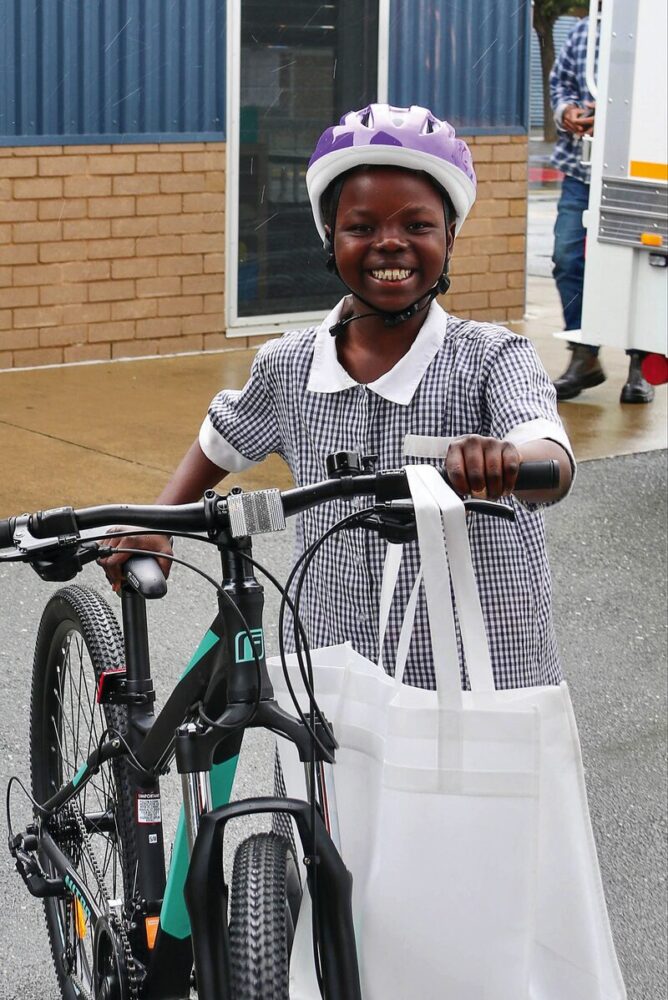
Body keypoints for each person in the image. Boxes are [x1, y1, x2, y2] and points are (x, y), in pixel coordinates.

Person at [102, 103, 574, 691]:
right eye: (362, 226)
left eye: (417, 226)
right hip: (335, 669)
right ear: (332, 238)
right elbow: (221, 440)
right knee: (318, 780)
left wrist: (512, 461)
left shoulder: (491, 358)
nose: (390, 243)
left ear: (449, 237)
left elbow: (550, 453)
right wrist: (164, 520)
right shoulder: (289, 365)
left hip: (482, 677)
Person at [550, 13, 654, 403]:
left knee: (641, 266)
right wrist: (568, 113)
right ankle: (584, 354)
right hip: (583, 168)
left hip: (642, 173)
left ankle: (641, 364)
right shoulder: (584, 32)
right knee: (567, 257)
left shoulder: (656, 30)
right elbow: (560, 83)